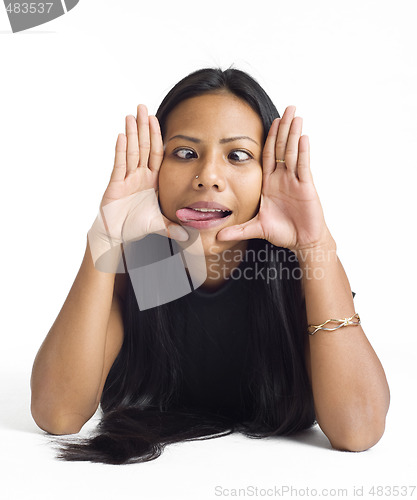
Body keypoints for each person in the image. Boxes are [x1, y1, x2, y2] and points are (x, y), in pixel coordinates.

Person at [30, 67, 390, 465]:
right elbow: (57, 414)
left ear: (267, 173)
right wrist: (104, 240)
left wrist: (316, 245)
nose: (208, 177)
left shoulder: (297, 274)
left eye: (238, 155)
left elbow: (358, 430)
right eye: (185, 153)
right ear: (155, 168)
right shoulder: (139, 274)